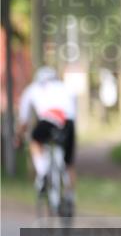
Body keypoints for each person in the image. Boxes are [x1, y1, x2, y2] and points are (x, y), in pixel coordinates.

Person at [16, 66, 78, 206]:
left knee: (35, 140)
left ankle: (43, 173)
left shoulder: (32, 89)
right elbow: (74, 112)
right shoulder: (66, 88)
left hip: (49, 119)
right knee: (69, 163)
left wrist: (18, 137)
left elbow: (23, 120)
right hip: (69, 122)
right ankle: (70, 197)